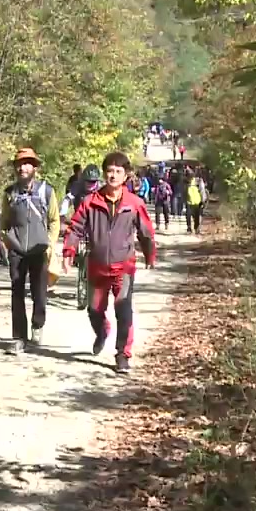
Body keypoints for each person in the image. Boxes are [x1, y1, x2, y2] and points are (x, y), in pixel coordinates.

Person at [61, 151, 156, 373]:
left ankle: (123, 354)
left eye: (118, 171)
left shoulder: (134, 203)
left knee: (124, 309)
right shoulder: (90, 202)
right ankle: (102, 331)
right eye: (109, 171)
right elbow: (75, 228)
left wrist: (150, 255)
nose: (113, 175)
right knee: (94, 310)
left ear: (126, 175)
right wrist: (68, 252)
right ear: (104, 174)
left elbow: (146, 232)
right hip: (97, 266)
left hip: (124, 267)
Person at [0, 147, 61, 355]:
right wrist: (7, 241)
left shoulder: (46, 191)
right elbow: (4, 220)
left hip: (39, 249)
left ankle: (37, 325)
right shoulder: (9, 193)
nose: (22, 168)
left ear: (34, 167)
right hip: (16, 249)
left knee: (39, 292)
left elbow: (54, 220)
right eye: (19, 164)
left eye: (27, 163)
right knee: (16, 293)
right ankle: (18, 337)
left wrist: (50, 243)